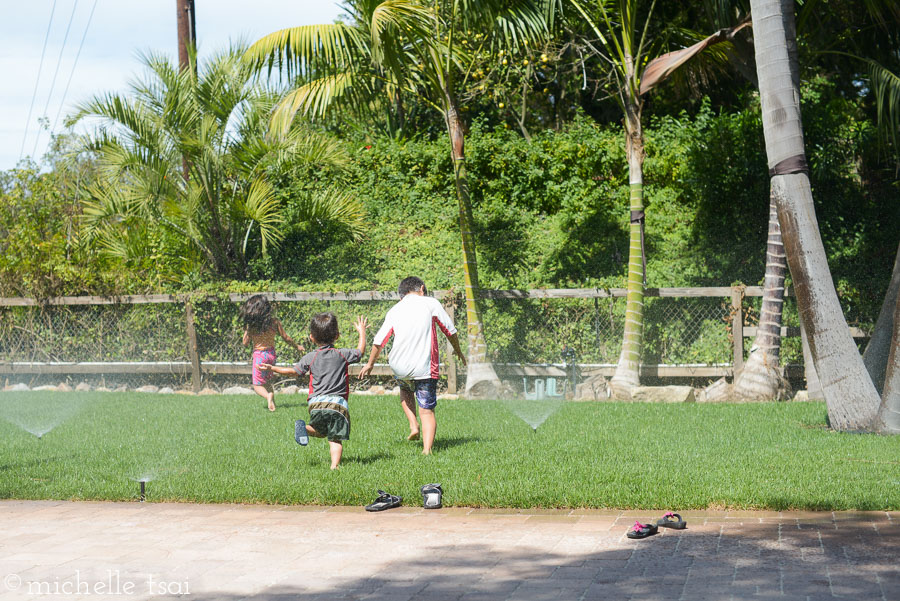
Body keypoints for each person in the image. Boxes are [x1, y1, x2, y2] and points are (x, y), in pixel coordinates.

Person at [358, 277, 466, 455]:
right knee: (427, 410)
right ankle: (426, 450)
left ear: (401, 295)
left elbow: (379, 341)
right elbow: (450, 330)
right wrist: (458, 351)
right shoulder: (430, 303)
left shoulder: (395, 309)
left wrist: (370, 364)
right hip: (423, 367)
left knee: (406, 390)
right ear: (422, 289)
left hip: (399, 366)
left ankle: (413, 425)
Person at [261, 313, 367, 469]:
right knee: (334, 438)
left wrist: (273, 368)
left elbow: (293, 371)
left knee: (321, 431)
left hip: (315, 404)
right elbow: (360, 352)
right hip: (337, 405)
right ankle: (334, 466)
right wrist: (362, 332)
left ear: (312, 337)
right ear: (337, 336)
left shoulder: (310, 357)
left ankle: (303, 428)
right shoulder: (342, 355)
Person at [240, 294, 304, 412]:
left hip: (259, 356)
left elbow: (245, 343)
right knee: (267, 381)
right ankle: (273, 404)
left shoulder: (252, 326)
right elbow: (286, 338)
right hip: (271, 355)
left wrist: (246, 329)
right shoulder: (274, 322)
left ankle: (268, 396)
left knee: (257, 385)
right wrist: (297, 346)